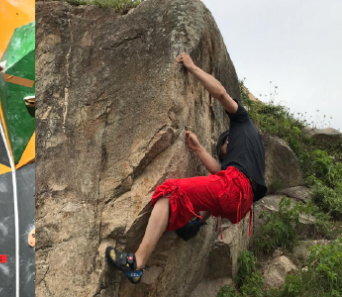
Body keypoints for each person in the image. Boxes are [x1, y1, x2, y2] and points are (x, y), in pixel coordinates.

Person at [106, 53, 267, 284]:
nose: (224, 150)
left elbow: (221, 93)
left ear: (228, 140)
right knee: (210, 190)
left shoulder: (241, 120)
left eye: (223, 147)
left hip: (234, 187)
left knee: (169, 191)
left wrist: (192, 67)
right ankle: (193, 223)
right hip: (241, 205)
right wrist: (199, 148)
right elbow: (219, 172)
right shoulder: (252, 149)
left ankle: (137, 263)